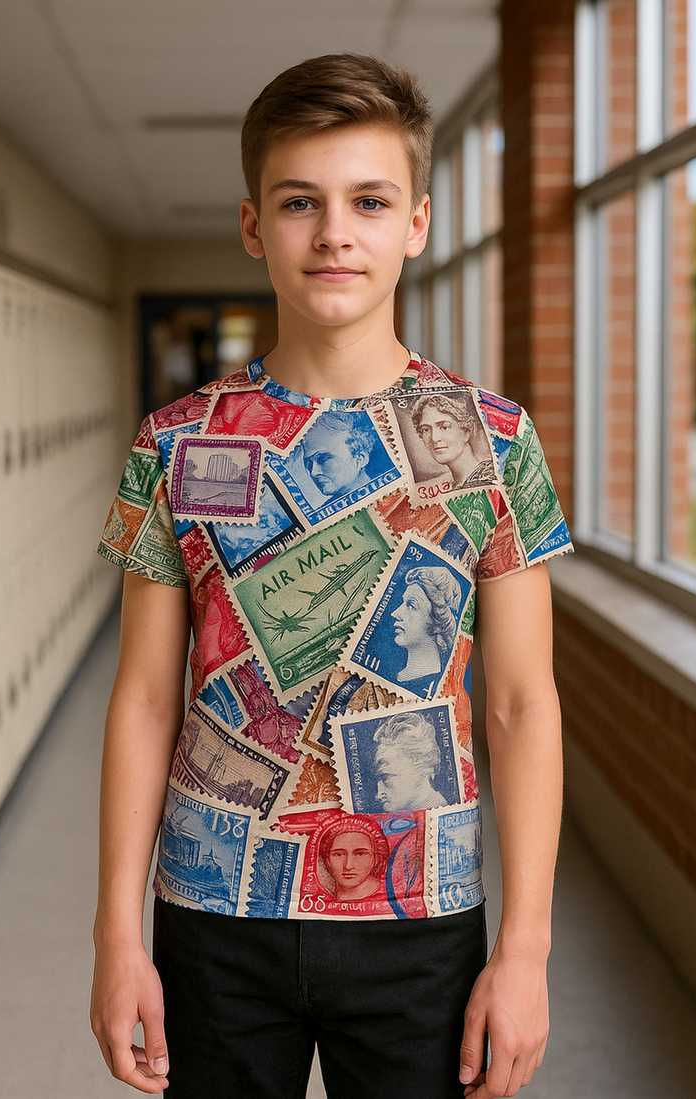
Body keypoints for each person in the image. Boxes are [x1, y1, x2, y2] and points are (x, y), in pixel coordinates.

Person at [90, 51, 575, 1099]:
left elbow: (525, 704)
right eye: (300, 202)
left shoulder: (490, 440)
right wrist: (115, 934)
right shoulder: (176, 445)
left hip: (420, 913)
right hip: (214, 911)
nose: (334, 233)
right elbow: (139, 699)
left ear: (417, 224)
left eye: (368, 200)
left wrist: (527, 950)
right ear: (254, 225)